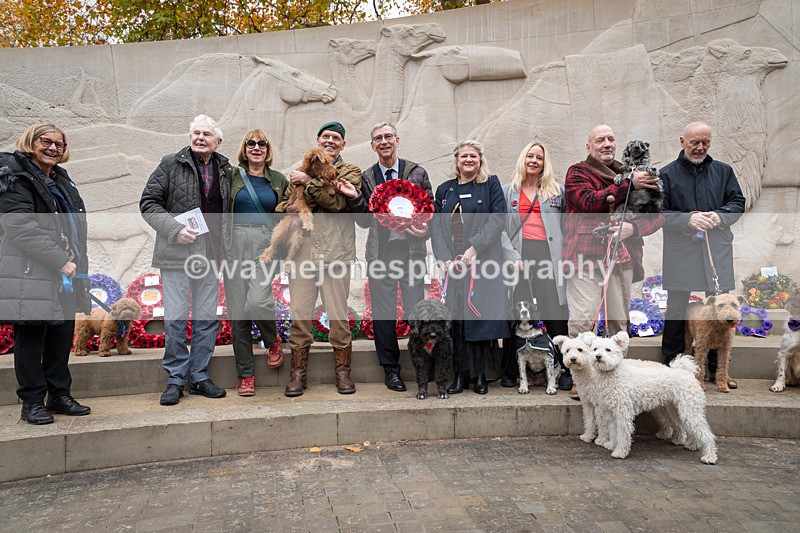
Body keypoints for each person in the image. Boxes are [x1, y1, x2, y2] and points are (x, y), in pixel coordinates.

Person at [0, 124, 92, 424]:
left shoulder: (60, 180)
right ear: (31, 142)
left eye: (59, 145)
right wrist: (59, 261)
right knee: (31, 339)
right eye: (46, 142)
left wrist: (76, 264)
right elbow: (20, 227)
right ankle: (31, 402)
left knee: (61, 336)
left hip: (65, 273)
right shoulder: (16, 176)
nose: (53, 148)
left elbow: (74, 228)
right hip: (33, 273)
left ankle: (59, 395)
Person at [140, 114, 232, 406]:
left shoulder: (227, 169)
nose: (200, 138)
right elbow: (148, 204)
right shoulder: (171, 164)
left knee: (206, 321)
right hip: (177, 257)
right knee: (176, 320)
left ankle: (200, 377)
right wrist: (175, 230)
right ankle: (176, 380)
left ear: (218, 141)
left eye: (207, 134)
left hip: (211, 256)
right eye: (196, 133)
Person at [346, 122, 433, 392]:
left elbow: (430, 209)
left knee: (415, 311)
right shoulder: (366, 178)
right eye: (377, 138)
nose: (383, 142)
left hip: (411, 252)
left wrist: (424, 228)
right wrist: (353, 198)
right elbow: (362, 221)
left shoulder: (416, 172)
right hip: (380, 254)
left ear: (397, 140)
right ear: (372, 145)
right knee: (383, 314)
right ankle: (391, 370)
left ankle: (422, 364)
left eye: (388, 137)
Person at [279, 121, 362, 397]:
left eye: (336, 137)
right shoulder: (300, 170)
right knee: (300, 314)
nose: (330, 140)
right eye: (325, 136)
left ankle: (342, 373)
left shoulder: (350, 171)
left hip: (335, 252)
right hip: (302, 252)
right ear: (317, 139)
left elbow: (338, 203)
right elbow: (282, 206)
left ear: (343, 144)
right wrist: (294, 205)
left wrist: (309, 185)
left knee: (338, 315)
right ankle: (298, 374)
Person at [660, 122, 745, 384]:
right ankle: (674, 365)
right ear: (682, 141)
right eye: (695, 142)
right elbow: (657, 213)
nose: (700, 148)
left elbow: (737, 203)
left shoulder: (724, 171)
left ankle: (715, 370)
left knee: (717, 309)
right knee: (676, 309)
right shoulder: (666, 174)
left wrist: (718, 216)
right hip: (680, 252)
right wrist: (688, 220)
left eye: (705, 142)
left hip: (715, 250)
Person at [563, 124, 663, 344]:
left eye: (611, 139)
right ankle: (581, 377)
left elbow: (657, 214)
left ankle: (615, 377)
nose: (606, 144)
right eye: (600, 140)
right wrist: (629, 185)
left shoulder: (635, 174)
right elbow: (588, 202)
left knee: (618, 326)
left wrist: (633, 228)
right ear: (589, 147)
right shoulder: (577, 172)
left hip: (622, 259)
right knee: (583, 321)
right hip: (585, 258)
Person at [431, 140, 510, 395]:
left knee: (479, 318)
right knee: (457, 321)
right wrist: (444, 258)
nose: (468, 160)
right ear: (456, 160)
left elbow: (498, 219)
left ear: (480, 160)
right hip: (454, 265)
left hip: (483, 262)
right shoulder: (444, 190)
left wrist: (474, 248)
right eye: (463, 156)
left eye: (473, 156)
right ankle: (459, 376)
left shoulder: (490, 185)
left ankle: (480, 377)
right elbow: (436, 227)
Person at [501, 141, 572, 391]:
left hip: (548, 254)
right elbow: (500, 229)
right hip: (520, 254)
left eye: (539, 157)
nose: (534, 161)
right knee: (517, 309)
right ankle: (511, 369)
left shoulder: (556, 191)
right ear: (523, 159)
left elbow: (566, 227)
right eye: (530, 156)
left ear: (544, 163)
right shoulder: (508, 191)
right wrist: (510, 256)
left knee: (554, 308)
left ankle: (563, 368)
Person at [225, 129, 289, 397]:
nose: (256, 147)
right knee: (239, 312)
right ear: (244, 148)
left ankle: (271, 339)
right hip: (234, 245)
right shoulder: (230, 177)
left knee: (257, 301)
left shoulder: (278, 180)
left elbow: (289, 213)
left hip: (266, 245)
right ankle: (246, 375)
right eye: (250, 143)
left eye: (262, 143)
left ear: (267, 149)